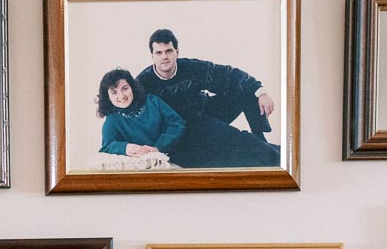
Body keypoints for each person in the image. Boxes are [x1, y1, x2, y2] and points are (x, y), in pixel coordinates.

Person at [134, 29, 281, 167]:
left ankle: (260, 137)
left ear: (177, 52)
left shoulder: (191, 67)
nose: (164, 57)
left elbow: (228, 74)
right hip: (182, 130)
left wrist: (262, 93)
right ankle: (271, 155)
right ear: (152, 56)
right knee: (237, 142)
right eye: (158, 53)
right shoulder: (143, 82)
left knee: (247, 90)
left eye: (168, 51)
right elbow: (132, 114)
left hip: (204, 112)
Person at [96, 68, 186, 164]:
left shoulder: (152, 101)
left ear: (132, 88)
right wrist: (125, 148)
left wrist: (158, 147)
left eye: (125, 88)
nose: (121, 95)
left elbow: (177, 124)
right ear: (108, 97)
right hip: (140, 166)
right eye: (114, 92)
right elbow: (106, 147)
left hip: (171, 158)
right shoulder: (112, 119)